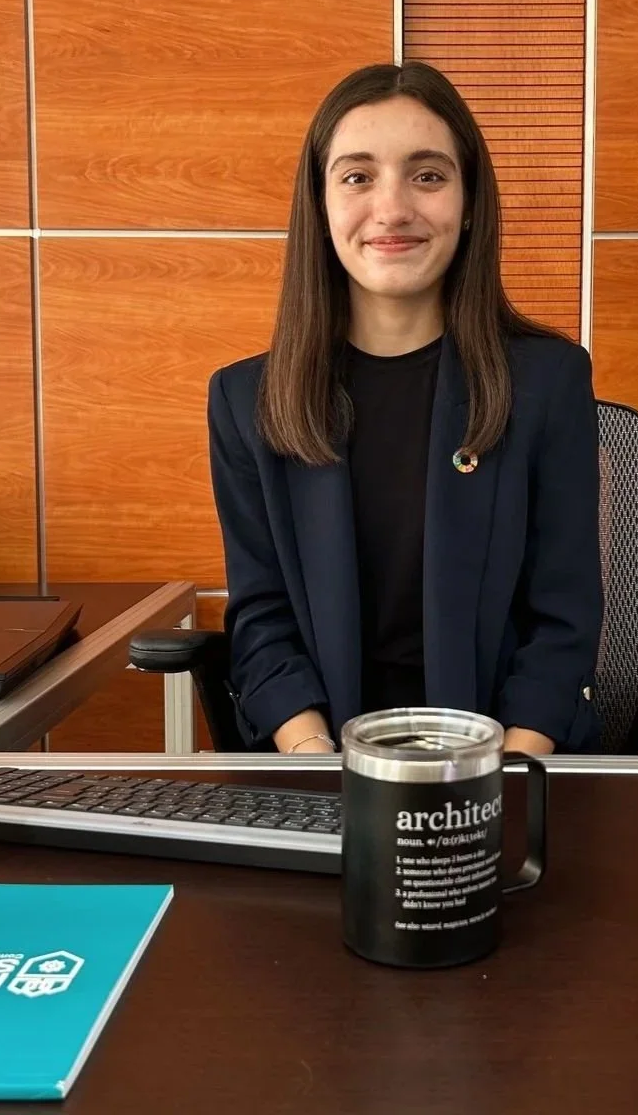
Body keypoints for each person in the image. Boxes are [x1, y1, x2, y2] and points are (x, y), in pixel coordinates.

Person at [208, 61, 603, 756]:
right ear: (320, 204)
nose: (392, 210)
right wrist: (315, 762)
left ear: (469, 201)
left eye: (427, 175)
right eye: (357, 177)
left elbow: (563, 621)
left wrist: (502, 774)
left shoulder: (549, 382)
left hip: (502, 762)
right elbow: (262, 619)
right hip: (325, 764)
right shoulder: (248, 401)